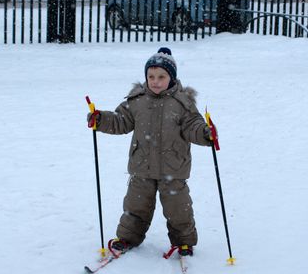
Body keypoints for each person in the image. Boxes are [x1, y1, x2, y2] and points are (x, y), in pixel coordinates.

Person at [86, 47, 214, 257]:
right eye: (151, 76)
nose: (155, 81)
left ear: (171, 78)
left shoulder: (182, 103)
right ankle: (128, 238)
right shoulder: (137, 101)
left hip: (173, 168)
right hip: (142, 167)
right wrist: (101, 119)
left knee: (178, 208)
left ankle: (184, 242)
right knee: (136, 206)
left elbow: (193, 126)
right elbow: (121, 121)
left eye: (161, 77)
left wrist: (206, 133)